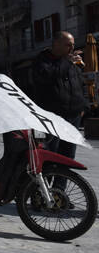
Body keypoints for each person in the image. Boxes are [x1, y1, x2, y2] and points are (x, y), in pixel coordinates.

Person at [32, 31, 87, 165]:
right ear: (56, 44)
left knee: (68, 156)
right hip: (52, 117)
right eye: (68, 45)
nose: (72, 48)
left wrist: (83, 106)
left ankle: (60, 187)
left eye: (73, 45)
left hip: (73, 116)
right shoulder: (42, 60)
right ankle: (45, 185)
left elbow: (80, 84)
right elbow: (48, 76)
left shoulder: (69, 62)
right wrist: (67, 63)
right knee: (50, 155)